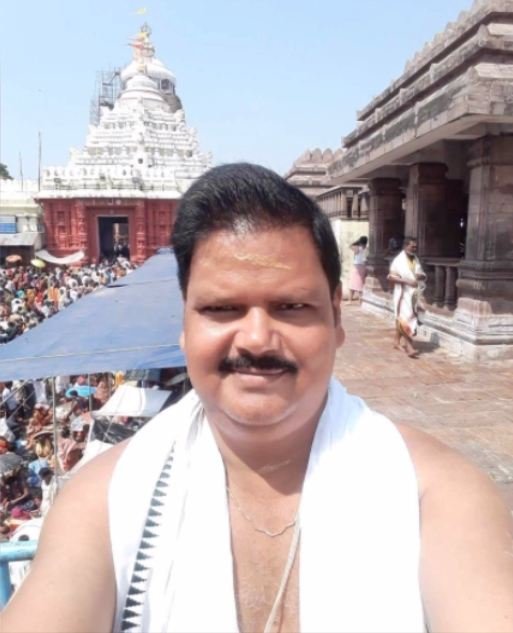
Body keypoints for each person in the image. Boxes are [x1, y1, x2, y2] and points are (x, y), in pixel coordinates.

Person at [2, 164, 513, 633]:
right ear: (184, 325)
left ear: (336, 318)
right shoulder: (105, 503)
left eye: (291, 307)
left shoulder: (434, 495)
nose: (256, 339)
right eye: (221, 309)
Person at [388, 236, 426, 358]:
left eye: (415, 247)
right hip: (402, 294)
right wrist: (407, 281)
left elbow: (420, 273)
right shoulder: (398, 260)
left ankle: (396, 342)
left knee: (404, 318)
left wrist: (420, 276)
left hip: (414, 294)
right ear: (405, 246)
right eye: (412, 246)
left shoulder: (415, 258)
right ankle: (409, 346)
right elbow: (391, 277)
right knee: (405, 320)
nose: (414, 249)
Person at [347, 236, 368, 304]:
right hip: (364, 266)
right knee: (360, 284)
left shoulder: (358, 248)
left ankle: (350, 300)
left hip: (357, 267)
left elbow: (350, 245)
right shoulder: (367, 249)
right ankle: (360, 301)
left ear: (360, 242)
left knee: (352, 284)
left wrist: (357, 241)